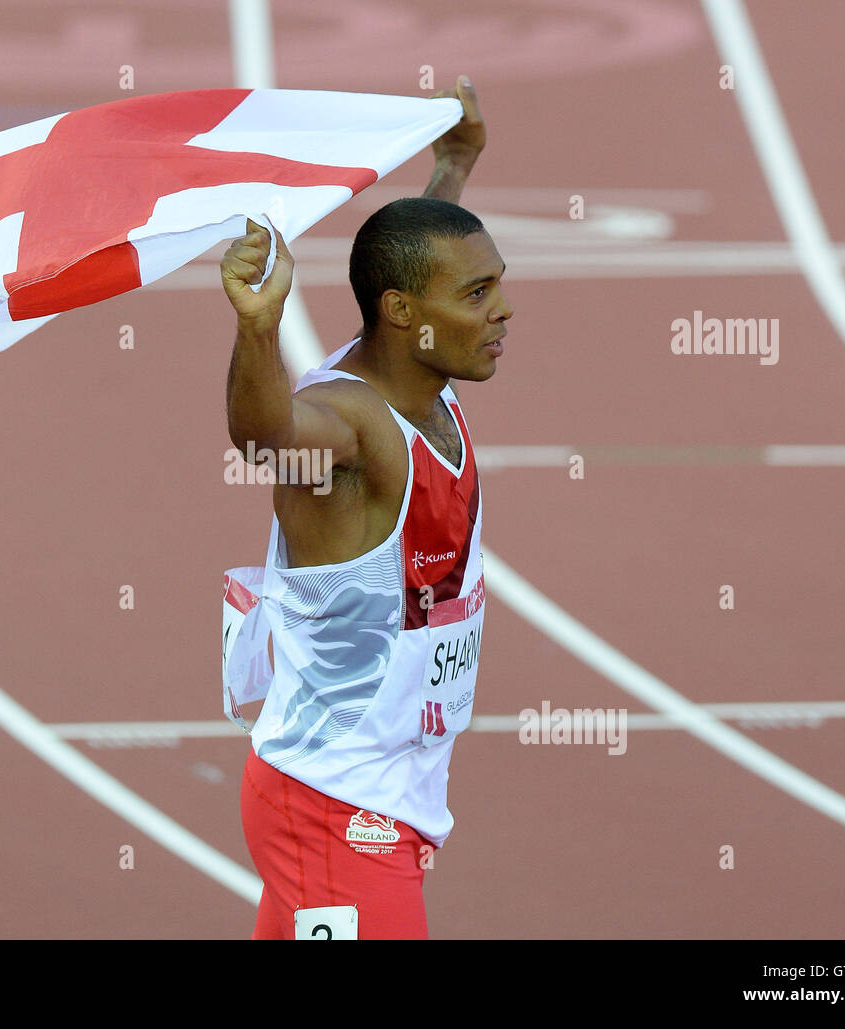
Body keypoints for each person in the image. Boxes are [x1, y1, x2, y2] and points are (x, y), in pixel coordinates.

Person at [219, 77, 512, 940]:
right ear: (405, 316)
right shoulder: (353, 426)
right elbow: (267, 440)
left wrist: (450, 168)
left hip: (375, 795)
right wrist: (258, 329)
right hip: (335, 809)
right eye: (478, 295)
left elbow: (417, 262)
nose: (501, 309)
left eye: (496, 285)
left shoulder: (415, 366)